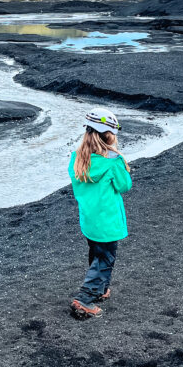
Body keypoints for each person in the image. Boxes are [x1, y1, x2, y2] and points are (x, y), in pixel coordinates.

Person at [68, 107, 132, 320]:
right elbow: (124, 186)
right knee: (105, 259)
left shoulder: (76, 159)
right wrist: (118, 160)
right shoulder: (112, 162)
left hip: (89, 220)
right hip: (107, 222)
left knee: (96, 254)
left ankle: (101, 288)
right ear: (109, 136)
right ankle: (84, 298)